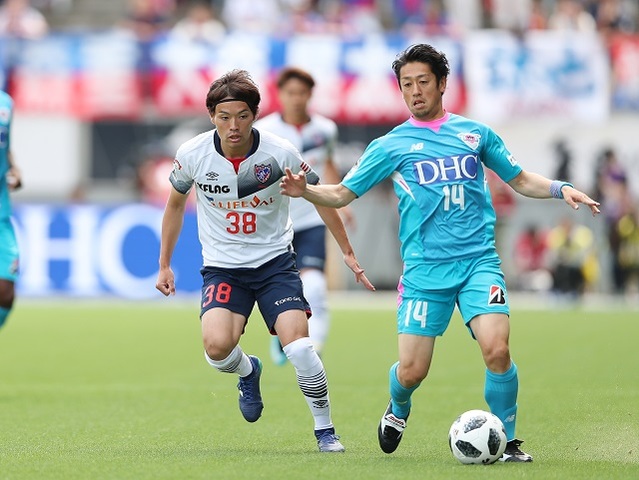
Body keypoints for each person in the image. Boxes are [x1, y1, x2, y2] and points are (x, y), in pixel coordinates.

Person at [279, 43, 601, 462]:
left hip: (478, 262)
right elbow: (341, 194)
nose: (415, 91)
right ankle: (398, 406)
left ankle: (507, 441)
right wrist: (306, 190)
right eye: (406, 85)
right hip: (424, 271)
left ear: (442, 83)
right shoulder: (390, 145)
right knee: (412, 371)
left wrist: (561, 188)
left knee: (497, 349)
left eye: (423, 82)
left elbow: (520, 180)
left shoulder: (476, 134)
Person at [155, 69, 374, 453]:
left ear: (254, 115)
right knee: (216, 349)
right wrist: (164, 264)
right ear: (211, 116)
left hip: (275, 264)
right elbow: (174, 206)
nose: (233, 126)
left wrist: (347, 251)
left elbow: (319, 196)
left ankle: (325, 431)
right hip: (223, 268)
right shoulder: (192, 155)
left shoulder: (280, 152)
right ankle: (248, 370)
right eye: (224, 117)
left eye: (242, 116)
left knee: (301, 348)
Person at [255, 66, 352, 365]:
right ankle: (280, 333)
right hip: (275, 222)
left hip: (311, 219)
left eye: (302, 93)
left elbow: (328, 166)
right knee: (277, 287)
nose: (296, 99)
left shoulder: (325, 130)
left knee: (315, 287)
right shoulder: (264, 131)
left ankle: (314, 346)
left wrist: (341, 202)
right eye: (290, 93)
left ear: (310, 95)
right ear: (280, 95)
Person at [0, 89, 21, 329]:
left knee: (5, 293)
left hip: (1, 213)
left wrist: (15, 169)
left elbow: (6, 148)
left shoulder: (5, 103)